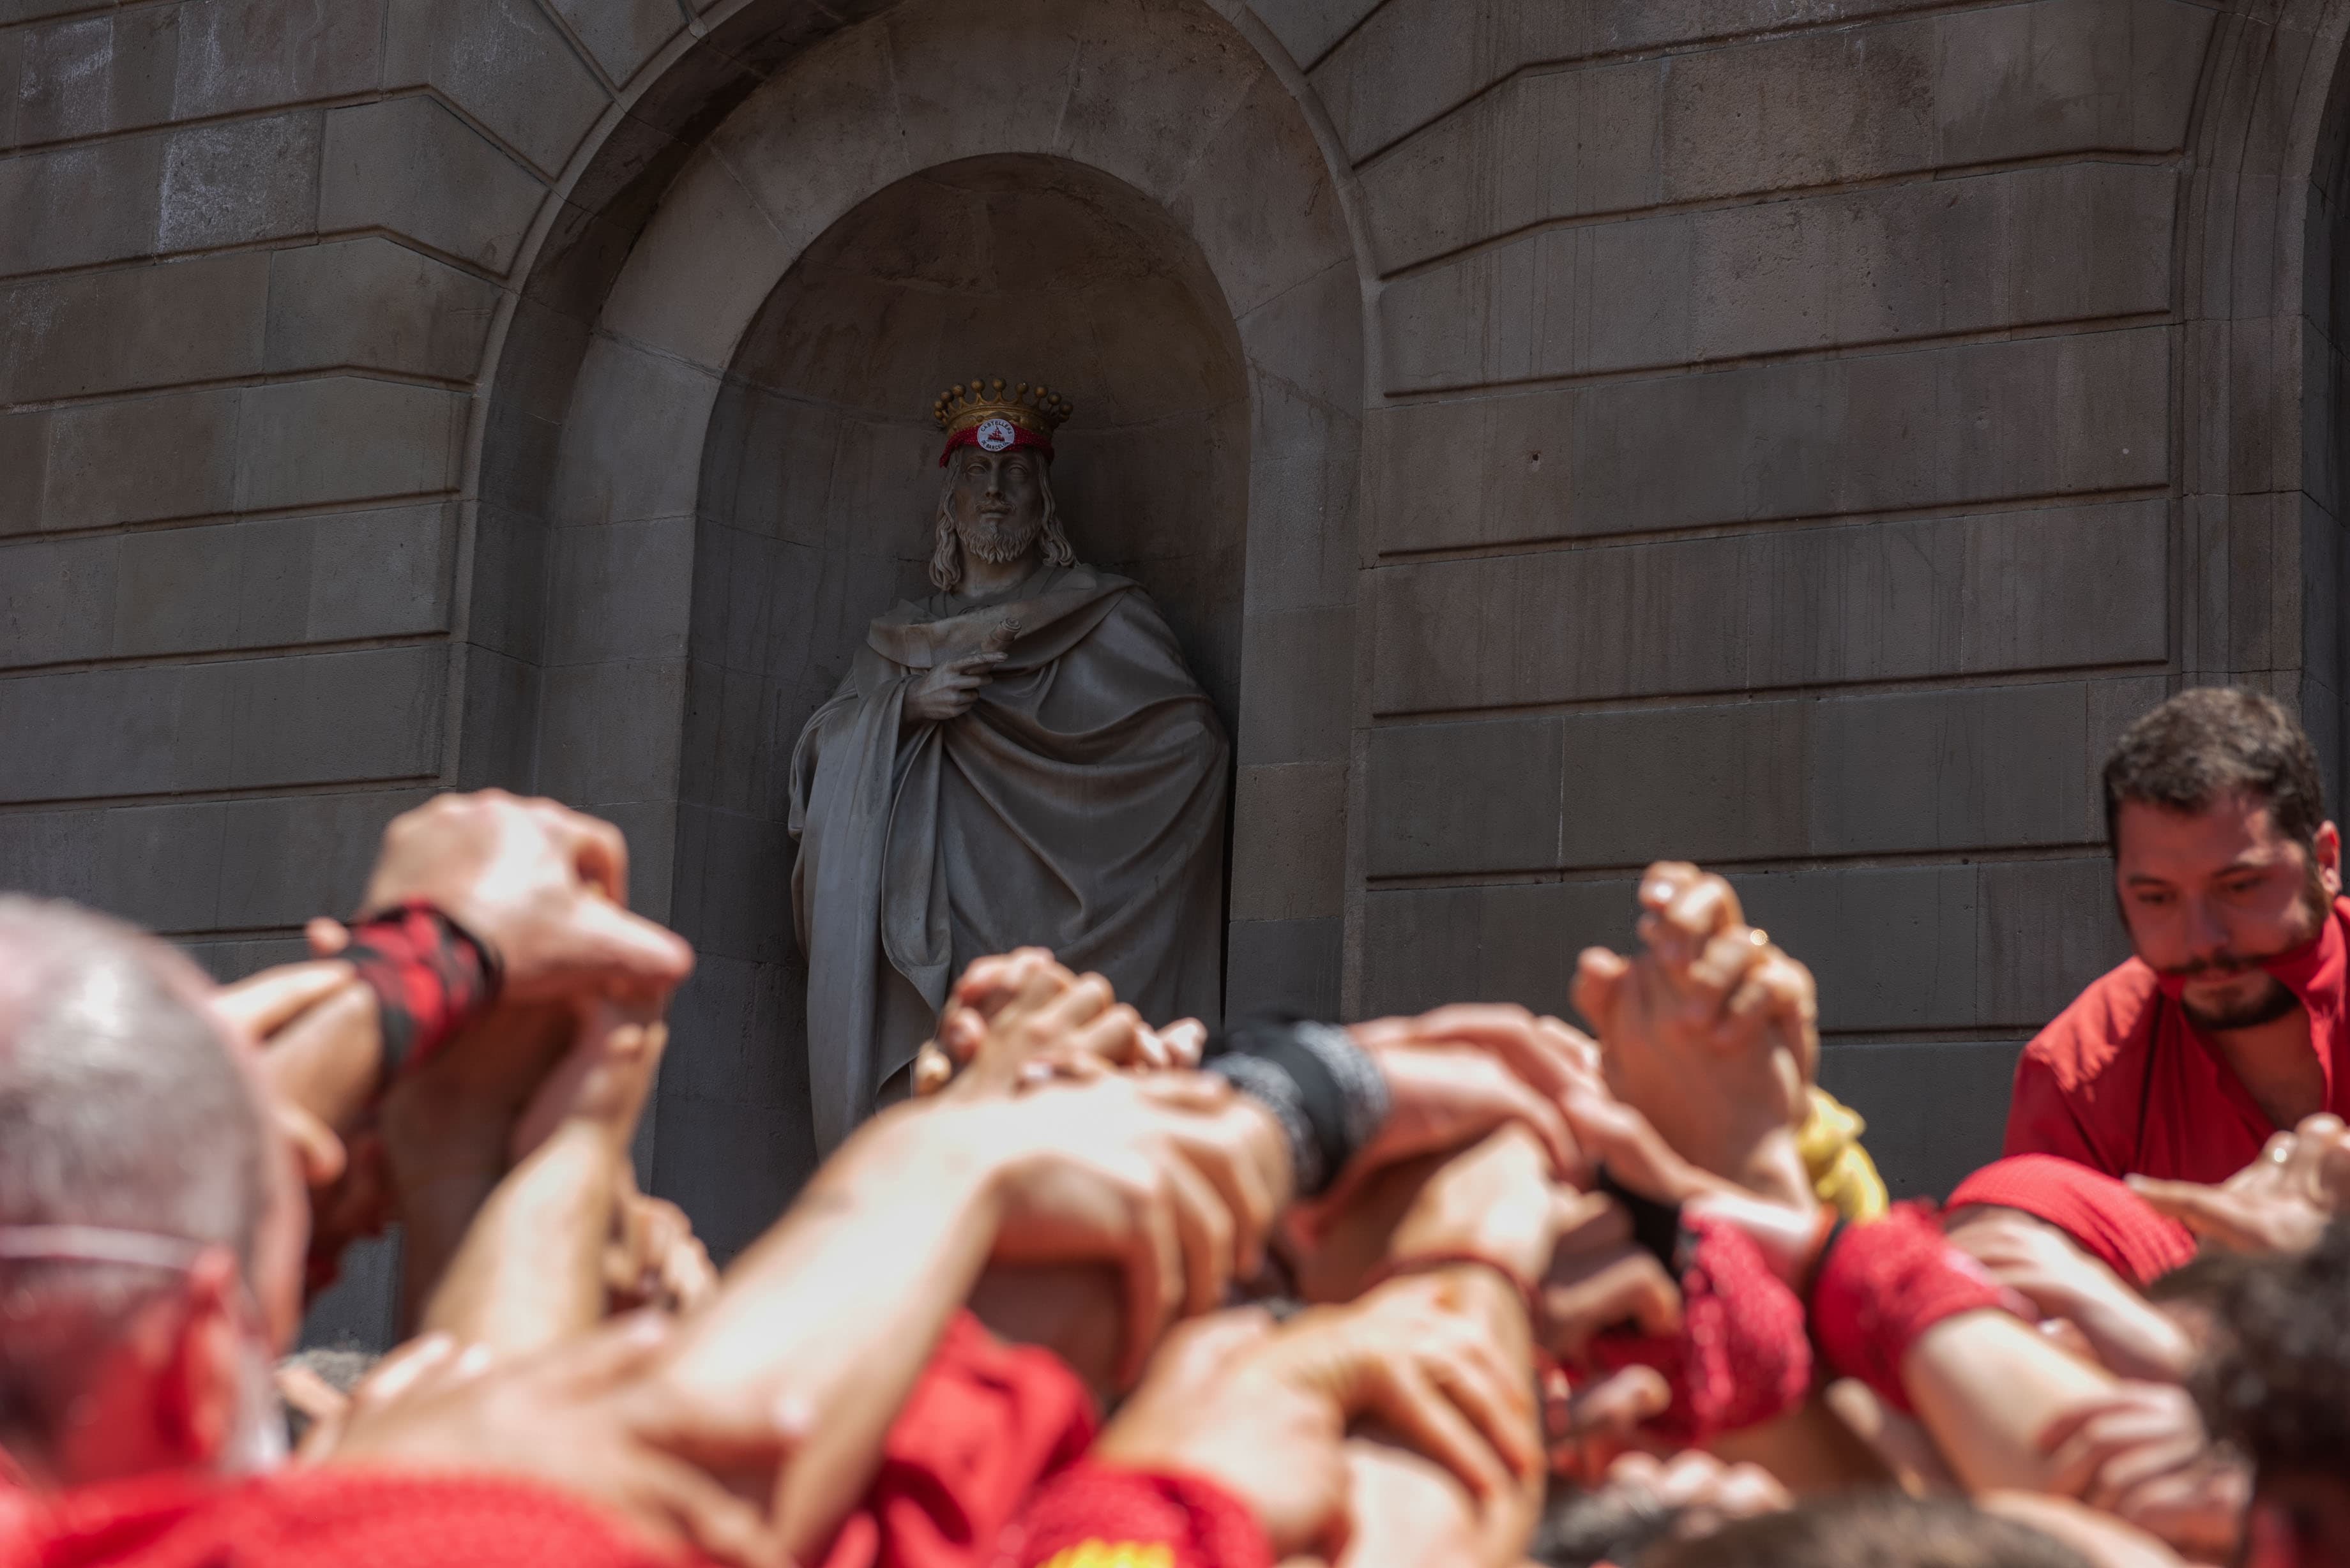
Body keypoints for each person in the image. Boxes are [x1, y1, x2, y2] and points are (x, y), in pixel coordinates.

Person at [788, 377, 1231, 1150]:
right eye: (976, 477)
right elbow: (819, 763)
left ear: (1044, 503)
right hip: (935, 918)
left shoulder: (1106, 614)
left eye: (1016, 476)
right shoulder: (901, 638)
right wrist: (907, 710)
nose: (994, 493)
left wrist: (1072, 779)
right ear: (949, 507)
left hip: (1076, 911)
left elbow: (1189, 748)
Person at [2005, 687, 2350, 1182]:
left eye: (2240, 887)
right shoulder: (2076, 1074)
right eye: (2157, 898)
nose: (2201, 940)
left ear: (2325, 862)